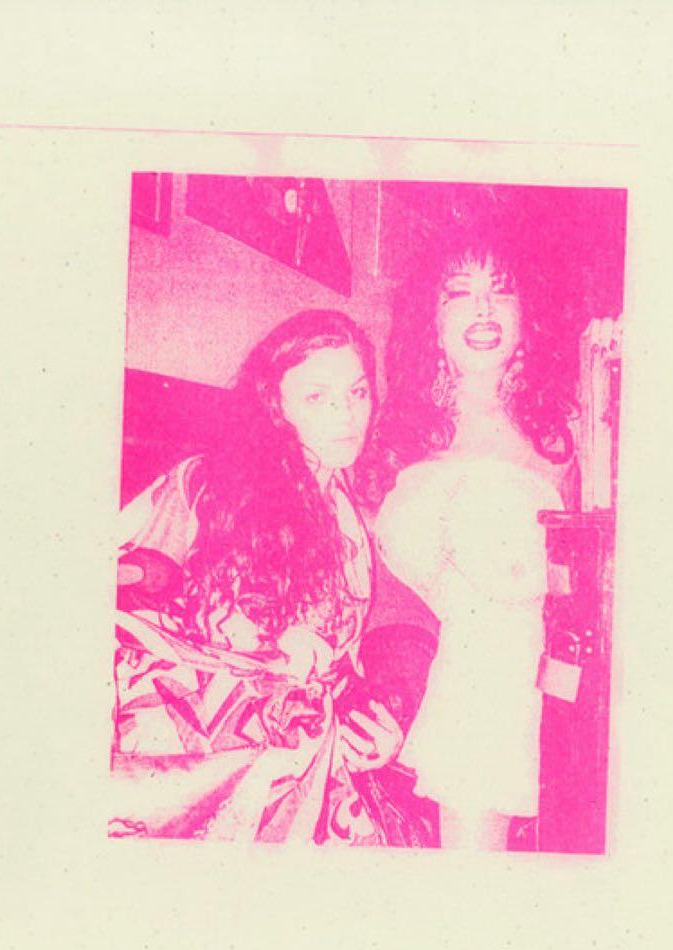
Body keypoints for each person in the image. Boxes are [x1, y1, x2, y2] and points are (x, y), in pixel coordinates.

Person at [110, 309, 435, 846]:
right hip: (207, 748)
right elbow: (138, 572)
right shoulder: (208, 483)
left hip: (310, 748)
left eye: (357, 393)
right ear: (275, 405)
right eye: (317, 397)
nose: (345, 414)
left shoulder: (357, 512)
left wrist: (387, 712)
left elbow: (402, 623)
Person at [358, 228, 577, 850]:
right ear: (431, 320)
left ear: (525, 316)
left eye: (500, 292)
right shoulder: (390, 428)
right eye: (459, 293)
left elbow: (577, 587)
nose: (482, 309)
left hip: (500, 695)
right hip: (393, 689)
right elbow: (368, 576)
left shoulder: (561, 435)